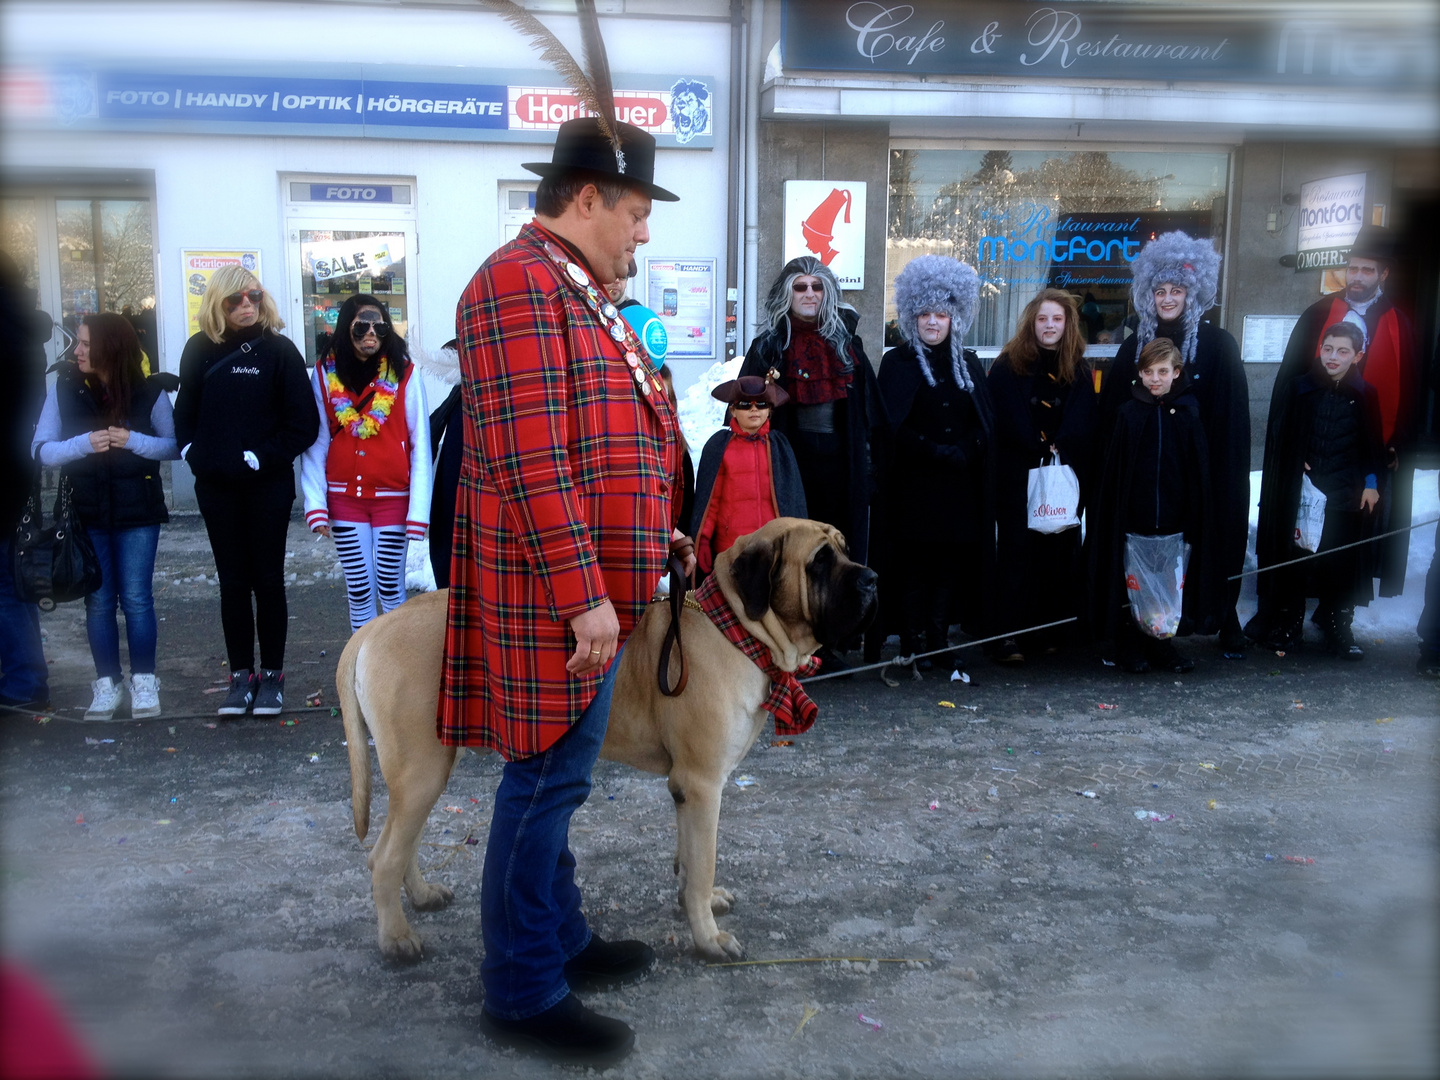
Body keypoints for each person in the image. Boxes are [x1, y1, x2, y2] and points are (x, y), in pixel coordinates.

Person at [441, 116, 689, 1064]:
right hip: (555, 600)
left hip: (588, 590)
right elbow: (531, 461)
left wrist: (648, 526)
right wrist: (587, 593)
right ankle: (521, 986)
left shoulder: (569, 284)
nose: (643, 231)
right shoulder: (515, 285)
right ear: (586, 198)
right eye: (634, 210)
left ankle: (561, 937)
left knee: (562, 780)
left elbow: (596, 435)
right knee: (541, 784)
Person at [1251, 225, 1419, 645]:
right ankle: (1286, 612)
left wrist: (1393, 445)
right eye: (1353, 268)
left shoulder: (1399, 324)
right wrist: (1290, 449)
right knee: (1300, 537)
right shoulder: (1318, 314)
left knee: (1349, 543)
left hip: (1362, 461)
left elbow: (1409, 388)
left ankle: (1334, 615)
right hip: (1311, 457)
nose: (1357, 276)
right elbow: (1290, 385)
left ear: (1384, 274)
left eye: (1367, 270)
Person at [173, 265, 318, 717]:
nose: (246, 305)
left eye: (253, 295)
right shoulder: (199, 349)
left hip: (267, 488)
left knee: (268, 581)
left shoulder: (279, 350)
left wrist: (262, 456)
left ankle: (272, 677)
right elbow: (185, 414)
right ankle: (240, 677)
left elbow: (304, 425)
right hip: (216, 488)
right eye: (235, 299)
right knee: (233, 583)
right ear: (217, 303)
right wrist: (193, 450)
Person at [1096, 231, 1246, 653]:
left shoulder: (1218, 346)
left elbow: (1230, 421)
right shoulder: (1133, 348)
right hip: (1146, 480)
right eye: (1159, 290)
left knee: (1205, 545)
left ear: (1191, 292)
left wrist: (1220, 476)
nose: (1167, 298)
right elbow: (1115, 419)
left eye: (1176, 289)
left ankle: (1219, 614)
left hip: (1199, 474)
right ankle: (1139, 626)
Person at [740, 256, 884, 670]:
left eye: (816, 287)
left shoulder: (848, 346)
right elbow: (744, 411)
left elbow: (870, 416)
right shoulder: (768, 347)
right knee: (795, 554)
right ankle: (790, 640)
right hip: (791, 466)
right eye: (800, 287)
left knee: (838, 555)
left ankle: (834, 640)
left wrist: (870, 470)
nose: (808, 294)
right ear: (788, 293)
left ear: (828, 294)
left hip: (842, 467)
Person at [32, 313, 178, 719]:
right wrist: (82, 444)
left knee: (136, 599)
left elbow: (173, 446)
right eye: (77, 343)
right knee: (97, 602)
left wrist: (134, 441)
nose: (76, 351)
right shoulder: (62, 388)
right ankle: (107, 685)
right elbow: (41, 448)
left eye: (84, 344)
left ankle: (144, 683)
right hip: (85, 513)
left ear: (110, 349)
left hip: (139, 513)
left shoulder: (150, 390)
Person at [871, 255, 996, 673]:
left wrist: (968, 447)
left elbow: (985, 421)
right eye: (924, 313)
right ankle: (909, 643)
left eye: (941, 313)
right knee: (913, 568)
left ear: (954, 317)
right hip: (914, 487)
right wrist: (930, 449)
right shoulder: (898, 363)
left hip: (959, 487)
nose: (932, 322)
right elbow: (889, 425)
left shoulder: (970, 363)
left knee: (948, 568)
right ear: (911, 316)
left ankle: (939, 641)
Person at [1088, 338, 1218, 673]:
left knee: (1165, 585)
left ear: (1176, 372)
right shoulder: (1128, 414)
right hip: (1136, 518)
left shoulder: (1188, 414)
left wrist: (1191, 512)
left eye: (1163, 371)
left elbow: (1196, 469)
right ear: (1140, 375)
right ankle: (1131, 642)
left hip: (1174, 519)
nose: (1155, 379)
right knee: (1133, 583)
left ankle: (1161, 644)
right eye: (1148, 372)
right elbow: (1114, 470)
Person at [301, 297, 430, 632]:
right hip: (345, 501)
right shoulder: (323, 374)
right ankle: (361, 670)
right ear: (347, 328)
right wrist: (315, 504)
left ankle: (393, 671)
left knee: (390, 586)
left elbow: (420, 446)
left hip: (393, 499)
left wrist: (418, 512)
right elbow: (316, 442)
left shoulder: (405, 374)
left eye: (379, 326)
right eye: (362, 326)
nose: (371, 333)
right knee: (358, 590)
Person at [1257, 323, 1385, 659]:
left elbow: (1372, 445)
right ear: (1319, 348)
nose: (1333, 357)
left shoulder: (1365, 393)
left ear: (1358, 356)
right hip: (1304, 495)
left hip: (1345, 493)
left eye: (1343, 351)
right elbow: (1281, 439)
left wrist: (1371, 485)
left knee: (1340, 564)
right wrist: (1293, 460)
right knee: (1297, 560)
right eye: (1328, 348)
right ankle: (1289, 623)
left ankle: (1337, 625)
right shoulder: (1300, 389)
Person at [987, 288, 1097, 663]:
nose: (1049, 326)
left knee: (1058, 553)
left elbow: (1085, 415)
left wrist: (1062, 443)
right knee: (1017, 553)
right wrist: (1034, 443)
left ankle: (1050, 630)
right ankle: (1007, 635)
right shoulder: (1007, 365)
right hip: (1019, 474)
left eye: (1057, 319)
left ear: (1068, 324)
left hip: (1062, 475)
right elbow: (1001, 414)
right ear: (1031, 322)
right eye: (1042, 318)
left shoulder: (1079, 368)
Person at [0, 251, 53, 712]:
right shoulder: (23, 329)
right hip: (16, 469)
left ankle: (23, 680)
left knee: (4, 583)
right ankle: (23, 674)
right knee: (8, 580)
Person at [690, 375, 805, 577]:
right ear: (733, 410)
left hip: (773, 544)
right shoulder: (720, 447)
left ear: (769, 410)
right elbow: (711, 501)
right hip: (732, 546)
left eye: (761, 404)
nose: (754, 410)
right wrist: (704, 539)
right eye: (745, 405)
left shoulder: (779, 447)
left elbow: (792, 499)